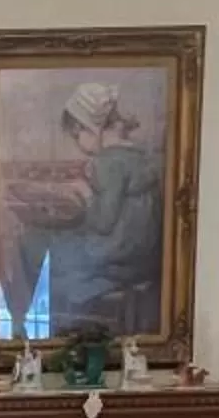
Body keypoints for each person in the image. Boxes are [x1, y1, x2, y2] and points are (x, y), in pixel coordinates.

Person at [24, 82, 164, 335]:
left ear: (90, 128)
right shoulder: (141, 157)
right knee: (57, 241)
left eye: (77, 135)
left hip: (116, 256)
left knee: (32, 244)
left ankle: (49, 326)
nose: (78, 143)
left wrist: (85, 193)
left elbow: (104, 222)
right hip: (143, 254)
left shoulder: (108, 162)